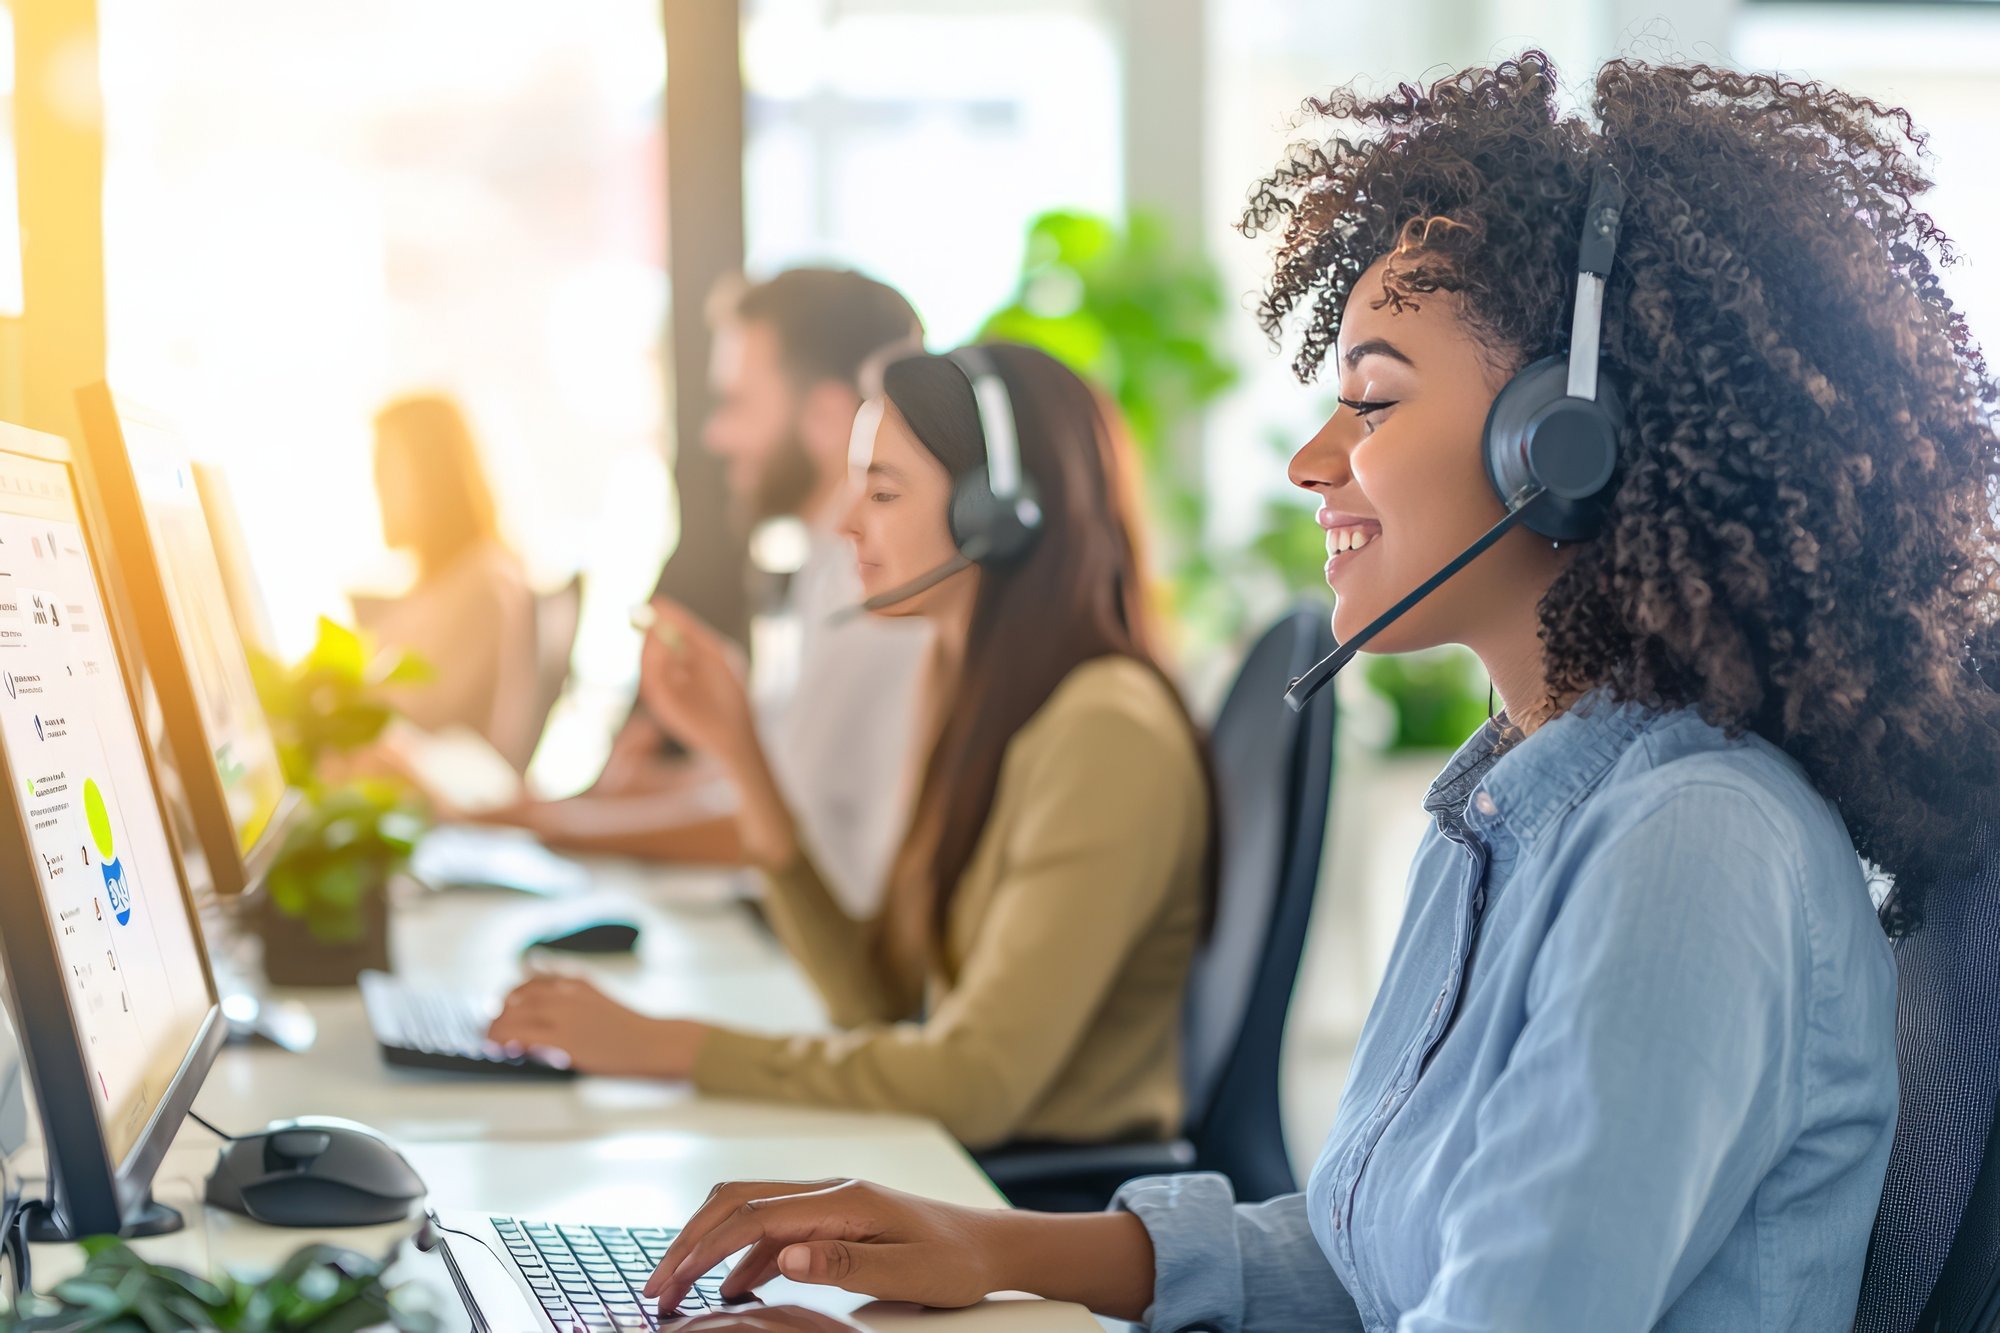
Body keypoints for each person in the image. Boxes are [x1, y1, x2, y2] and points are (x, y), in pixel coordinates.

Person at [634, 53, 2000, 1331]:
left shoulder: (1695, 850)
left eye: (1374, 402)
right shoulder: (1515, 812)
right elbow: (1369, 1253)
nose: (1310, 459)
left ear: (1563, 446)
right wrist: (991, 1250)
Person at [487, 343, 1214, 1152]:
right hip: (960, 1169)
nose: (845, 522)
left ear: (996, 515)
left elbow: (975, 1085)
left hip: (1041, 1196)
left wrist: (664, 1046)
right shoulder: (973, 693)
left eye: (884, 491)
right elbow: (875, 999)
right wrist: (740, 754)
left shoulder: (1104, 732)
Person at [490, 268, 929, 913]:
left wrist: (548, 826)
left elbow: (776, 826)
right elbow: (780, 775)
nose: (714, 436)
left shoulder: (875, 587)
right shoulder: (828, 567)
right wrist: (625, 797)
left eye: (738, 404)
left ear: (831, 417)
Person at [358, 393, 540, 770]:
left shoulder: (483, 584)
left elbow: (421, 722)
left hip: (448, 803)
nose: (375, 487)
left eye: (385, 469)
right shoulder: (441, 586)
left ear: (432, 475)